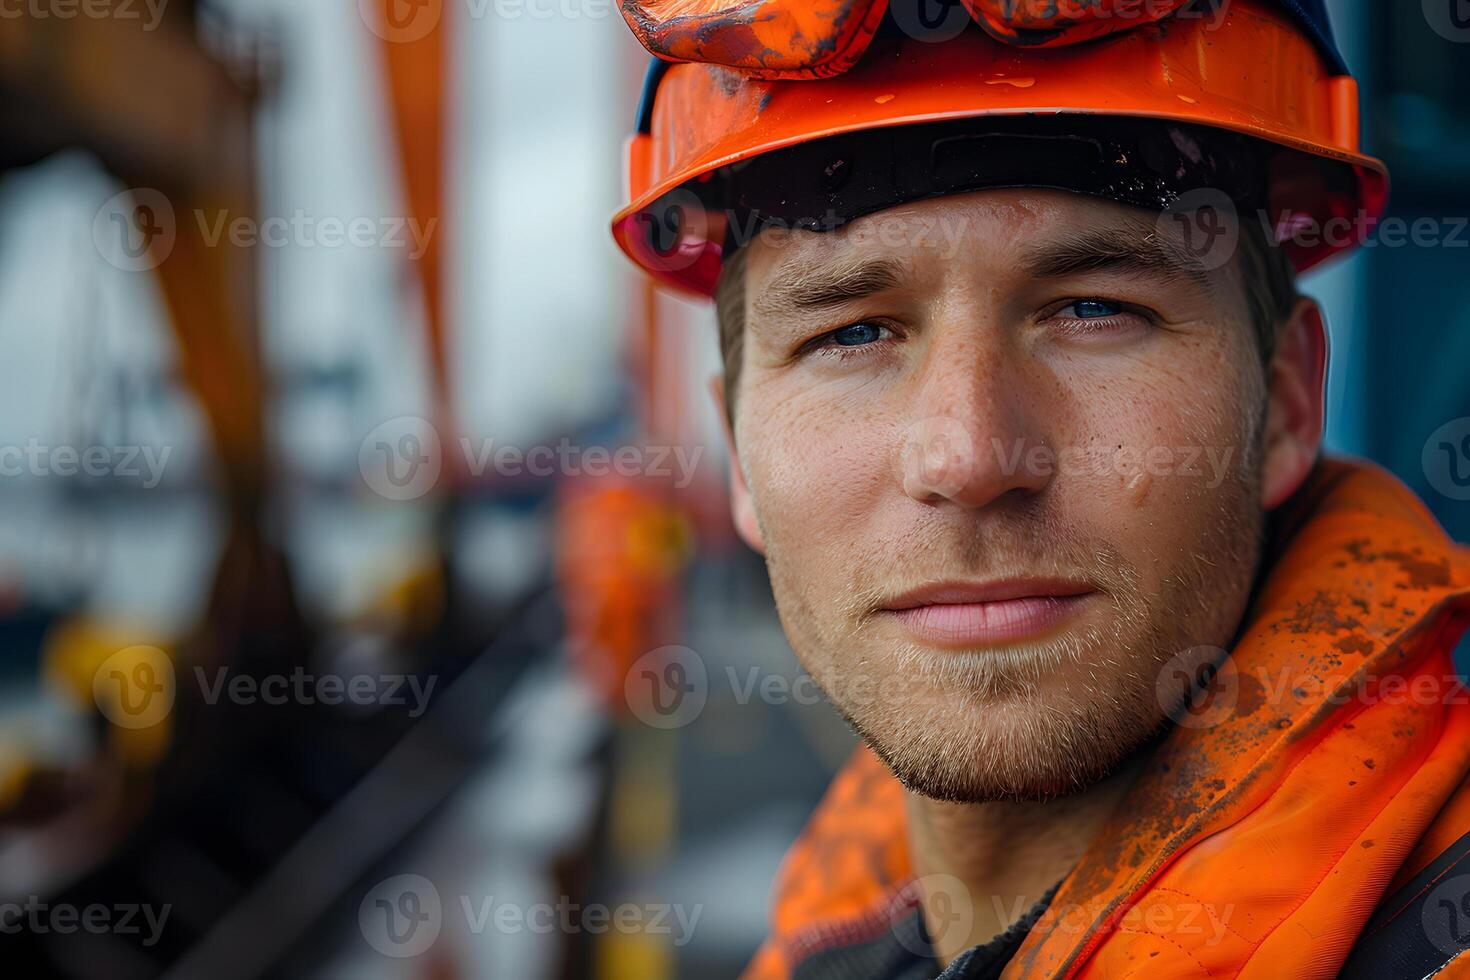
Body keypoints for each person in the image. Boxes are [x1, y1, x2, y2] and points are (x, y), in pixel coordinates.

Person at [609, 2, 1470, 976]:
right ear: (737, 452)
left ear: (1283, 405)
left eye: (1095, 309)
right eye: (851, 332)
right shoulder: (834, 938)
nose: (972, 456)